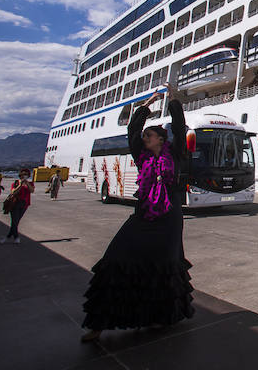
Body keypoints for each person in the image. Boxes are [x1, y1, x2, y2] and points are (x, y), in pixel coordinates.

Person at [81, 87, 194, 342]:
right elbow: (132, 130)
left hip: (169, 217)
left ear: (161, 140)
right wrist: (148, 104)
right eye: (145, 135)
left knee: (164, 266)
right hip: (143, 214)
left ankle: (159, 315)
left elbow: (179, 126)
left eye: (149, 135)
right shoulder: (141, 156)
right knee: (116, 258)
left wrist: (174, 101)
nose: (144, 138)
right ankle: (98, 323)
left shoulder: (176, 154)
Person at [1, 168, 34, 244]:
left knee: (16, 221)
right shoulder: (15, 183)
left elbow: (31, 190)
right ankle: (15, 237)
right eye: (23, 174)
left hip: (25, 204)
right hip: (15, 204)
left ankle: (8, 236)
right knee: (15, 221)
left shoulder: (30, 183)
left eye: (26, 174)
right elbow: (13, 192)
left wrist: (26, 183)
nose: (24, 176)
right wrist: (20, 185)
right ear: (20, 175)